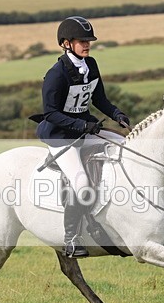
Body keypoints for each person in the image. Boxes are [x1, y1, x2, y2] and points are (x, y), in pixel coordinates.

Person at [36, 15, 130, 258]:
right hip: (61, 136)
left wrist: (116, 113)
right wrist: (80, 124)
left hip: (86, 130)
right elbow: (50, 113)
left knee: (125, 147)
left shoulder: (91, 64)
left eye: (89, 40)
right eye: (82, 40)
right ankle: (71, 238)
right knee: (81, 183)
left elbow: (99, 99)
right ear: (66, 43)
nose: (87, 44)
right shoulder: (56, 74)